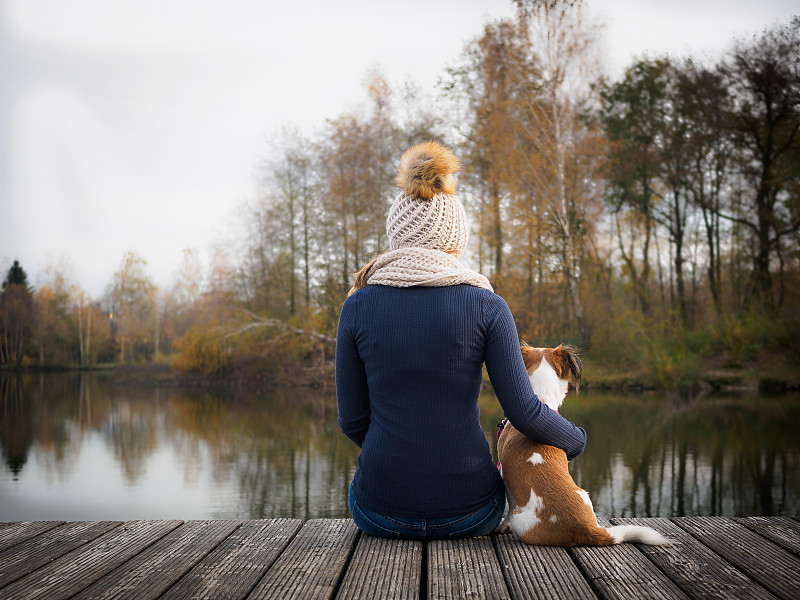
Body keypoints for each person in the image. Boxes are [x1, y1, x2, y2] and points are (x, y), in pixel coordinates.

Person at [335, 141, 586, 540]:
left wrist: (396, 458)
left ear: (397, 232)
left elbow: (351, 421)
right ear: (455, 235)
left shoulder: (358, 305)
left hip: (378, 512)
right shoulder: (487, 305)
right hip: (470, 514)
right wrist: (575, 440)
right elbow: (524, 413)